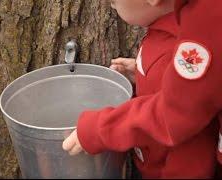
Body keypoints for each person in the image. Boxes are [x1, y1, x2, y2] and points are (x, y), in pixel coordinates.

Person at [63, 0, 222, 178]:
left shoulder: (201, 31)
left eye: (113, 1)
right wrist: (147, 76)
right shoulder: (173, 28)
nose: (109, 4)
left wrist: (99, 129)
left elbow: (175, 121)